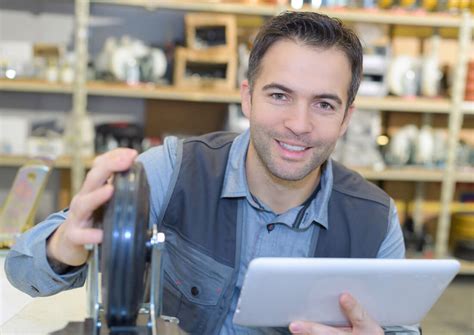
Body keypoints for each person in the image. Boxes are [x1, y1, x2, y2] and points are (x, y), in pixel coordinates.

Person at [5, 11, 419, 335]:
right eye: (279, 95)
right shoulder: (174, 168)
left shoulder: (375, 219)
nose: (299, 123)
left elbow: (403, 328)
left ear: (347, 117)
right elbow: (21, 270)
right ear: (247, 98)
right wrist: (64, 247)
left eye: (324, 104)